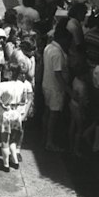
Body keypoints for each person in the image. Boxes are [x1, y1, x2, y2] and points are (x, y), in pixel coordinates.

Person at [0, 63, 32, 170]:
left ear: (10, 73)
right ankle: (15, 160)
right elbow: (24, 100)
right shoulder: (22, 85)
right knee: (14, 139)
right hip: (16, 113)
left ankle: (5, 164)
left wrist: (2, 103)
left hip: (6, 114)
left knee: (4, 140)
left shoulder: (3, 85)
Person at [42, 19, 72, 151]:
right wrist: (69, 91)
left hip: (46, 84)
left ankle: (45, 137)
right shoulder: (58, 53)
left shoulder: (48, 47)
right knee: (53, 116)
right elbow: (58, 74)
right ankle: (49, 141)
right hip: (55, 88)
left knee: (47, 112)